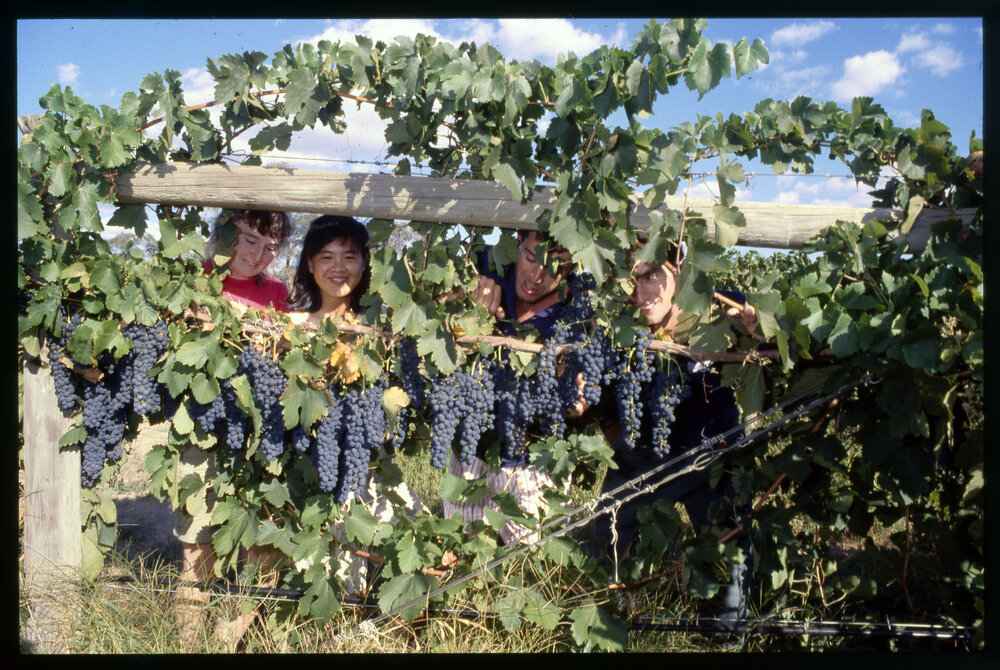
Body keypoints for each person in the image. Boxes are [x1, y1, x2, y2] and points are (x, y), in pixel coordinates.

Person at [591, 241, 758, 638]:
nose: (640, 293)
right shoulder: (620, 326)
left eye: (651, 276)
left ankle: (725, 632)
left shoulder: (720, 310)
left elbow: (772, 334)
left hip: (713, 456)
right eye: (632, 282)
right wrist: (626, 448)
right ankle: (608, 624)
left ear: (678, 270)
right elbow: (608, 406)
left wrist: (761, 328)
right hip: (642, 455)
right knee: (603, 540)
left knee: (732, 559)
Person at [288, 214, 424, 592]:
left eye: (349, 256)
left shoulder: (383, 325)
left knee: (413, 550)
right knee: (328, 575)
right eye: (326, 256)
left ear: (364, 264)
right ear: (310, 263)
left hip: (372, 465)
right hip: (312, 471)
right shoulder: (290, 328)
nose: (338, 267)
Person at [176, 208, 292, 649]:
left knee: (262, 545)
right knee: (198, 544)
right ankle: (189, 648)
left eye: (269, 248)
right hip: (203, 430)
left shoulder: (277, 292)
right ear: (224, 233)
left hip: (258, 432)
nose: (258, 255)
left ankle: (228, 643)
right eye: (249, 240)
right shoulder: (196, 280)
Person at [443, 229, 582, 546]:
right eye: (531, 258)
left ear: (572, 269)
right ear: (518, 242)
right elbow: (434, 292)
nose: (536, 275)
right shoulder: (489, 263)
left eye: (554, 269)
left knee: (534, 563)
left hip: (535, 458)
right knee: (466, 557)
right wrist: (462, 292)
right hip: (472, 449)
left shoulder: (577, 313)